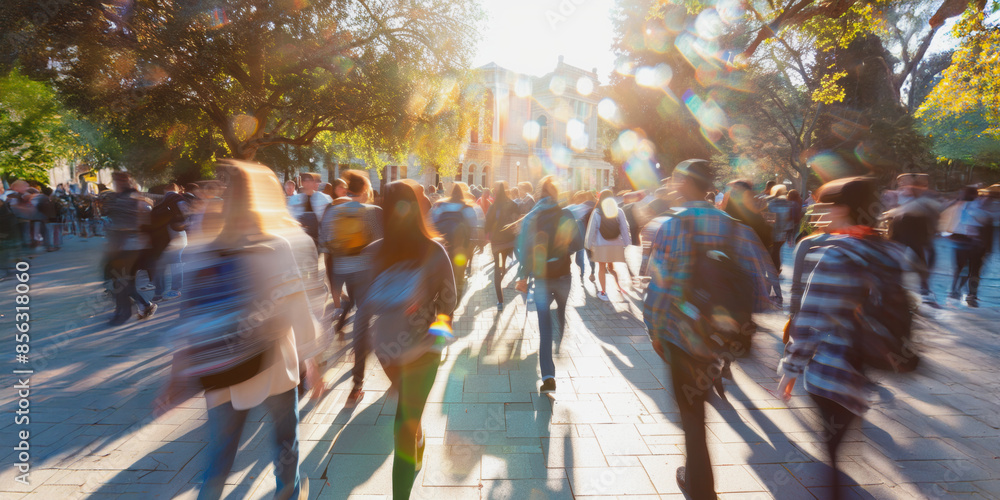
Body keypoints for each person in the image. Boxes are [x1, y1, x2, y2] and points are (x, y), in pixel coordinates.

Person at [156, 160, 324, 500]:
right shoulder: (276, 245)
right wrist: (311, 360)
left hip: (222, 368)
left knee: (220, 456)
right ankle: (287, 493)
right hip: (274, 364)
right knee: (285, 441)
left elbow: (188, 317)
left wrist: (177, 376)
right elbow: (298, 311)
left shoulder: (202, 248)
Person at [643, 160, 777, 500]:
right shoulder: (736, 229)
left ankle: (701, 487)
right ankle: (698, 478)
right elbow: (763, 293)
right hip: (720, 339)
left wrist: (655, 330)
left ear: (682, 184)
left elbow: (659, 287)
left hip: (680, 334)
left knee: (693, 417)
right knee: (698, 408)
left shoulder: (672, 226)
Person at [778, 176, 908, 500]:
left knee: (833, 449)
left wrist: (792, 367)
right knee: (840, 444)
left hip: (831, 365)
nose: (821, 213)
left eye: (827, 206)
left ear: (844, 209)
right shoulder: (888, 251)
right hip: (866, 364)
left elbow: (813, 319)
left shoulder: (837, 255)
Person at [357, 181, 457, 500]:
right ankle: (415, 445)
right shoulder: (434, 249)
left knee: (405, 416)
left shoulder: (375, 252)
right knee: (406, 419)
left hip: (387, 349)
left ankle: (413, 444)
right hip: (424, 349)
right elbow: (449, 302)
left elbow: (363, 306)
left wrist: (360, 354)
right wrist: (438, 341)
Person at [319, 170, 383, 405]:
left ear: (347, 189)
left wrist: (333, 284)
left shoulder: (333, 211)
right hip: (365, 274)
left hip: (340, 270)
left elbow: (325, 245)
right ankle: (357, 384)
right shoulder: (372, 212)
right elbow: (381, 245)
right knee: (362, 326)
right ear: (366, 190)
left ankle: (319, 364)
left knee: (353, 319)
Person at [515, 177, 583, 393]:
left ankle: (548, 376)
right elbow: (578, 243)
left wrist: (523, 274)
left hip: (542, 277)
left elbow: (523, 249)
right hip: (563, 274)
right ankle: (560, 337)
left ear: (539, 194)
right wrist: (561, 251)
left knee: (545, 327)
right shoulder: (566, 213)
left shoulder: (532, 216)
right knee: (561, 312)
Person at [103, 172, 157, 326]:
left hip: (130, 248)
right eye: (116, 180)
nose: (118, 183)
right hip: (119, 246)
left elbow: (140, 224)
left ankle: (123, 313)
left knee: (120, 282)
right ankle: (144, 306)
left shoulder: (135, 198)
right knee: (120, 282)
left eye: (120, 180)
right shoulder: (117, 197)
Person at [884, 173, 941, 306]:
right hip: (900, 226)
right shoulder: (896, 194)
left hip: (917, 227)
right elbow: (890, 209)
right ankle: (894, 285)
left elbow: (933, 211)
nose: (903, 184)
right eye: (901, 182)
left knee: (921, 257)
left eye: (906, 181)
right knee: (895, 256)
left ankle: (924, 288)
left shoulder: (923, 195)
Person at [939, 186, 991, 307]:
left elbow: (945, 222)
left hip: (963, 241)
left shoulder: (959, 206)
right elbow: (985, 220)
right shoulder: (976, 206)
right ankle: (969, 294)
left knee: (961, 268)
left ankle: (956, 291)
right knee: (972, 270)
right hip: (972, 242)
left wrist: (947, 235)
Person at [430, 182, 479, 298]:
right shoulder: (467, 207)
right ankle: (454, 300)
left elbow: (432, 222)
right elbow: (474, 226)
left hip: (442, 246)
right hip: (461, 247)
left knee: (442, 272)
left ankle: (439, 297)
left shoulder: (440, 205)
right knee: (459, 274)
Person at [585, 189, 631, 301]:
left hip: (601, 245)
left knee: (601, 268)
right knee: (612, 267)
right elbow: (624, 228)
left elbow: (591, 230)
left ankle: (604, 292)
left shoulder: (597, 212)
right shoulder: (619, 211)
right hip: (615, 244)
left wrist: (588, 244)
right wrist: (626, 243)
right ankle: (619, 287)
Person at [484, 181, 519, 309]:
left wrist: (486, 235)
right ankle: (501, 279)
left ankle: (500, 300)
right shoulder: (512, 204)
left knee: (498, 267)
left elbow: (487, 223)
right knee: (502, 265)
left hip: (497, 243)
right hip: (509, 241)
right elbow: (517, 219)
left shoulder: (494, 207)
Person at [286, 172, 332, 243]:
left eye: (310, 180)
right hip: (300, 239)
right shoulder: (294, 199)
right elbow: (290, 217)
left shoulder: (323, 198)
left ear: (313, 182)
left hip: (318, 238)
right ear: (301, 183)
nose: (307, 183)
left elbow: (328, 219)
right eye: (305, 181)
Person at [766, 184, 796, 273]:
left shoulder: (771, 203)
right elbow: (790, 219)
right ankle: (776, 269)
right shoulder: (788, 203)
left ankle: (771, 268)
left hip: (771, 231)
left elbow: (768, 218)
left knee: (771, 250)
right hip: (782, 233)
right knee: (777, 251)